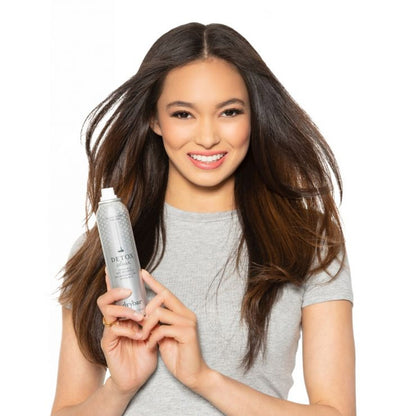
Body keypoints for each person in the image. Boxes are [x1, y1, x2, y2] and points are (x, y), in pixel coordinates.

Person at [51, 22, 355, 416]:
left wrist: (204, 379)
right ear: (154, 120)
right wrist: (119, 390)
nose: (208, 137)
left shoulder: (307, 240)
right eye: (183, 114)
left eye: (229, 112)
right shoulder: (107, 248)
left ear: (254, 116)